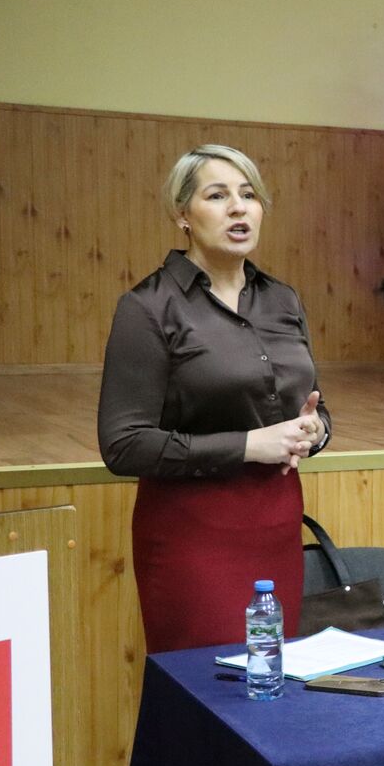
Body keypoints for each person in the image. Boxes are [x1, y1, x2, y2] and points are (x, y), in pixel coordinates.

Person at [99, 146, 329, 652]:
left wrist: (315, 431)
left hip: (277, 525)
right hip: (193, 535)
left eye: (249, 195)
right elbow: (123, 444)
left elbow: (313, 405)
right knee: (210, 687)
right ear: (182, 214)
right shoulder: (148, 307)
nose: (239, 207)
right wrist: (248, 445)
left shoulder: (283, 299)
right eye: (218, 195)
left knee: (271, 682)